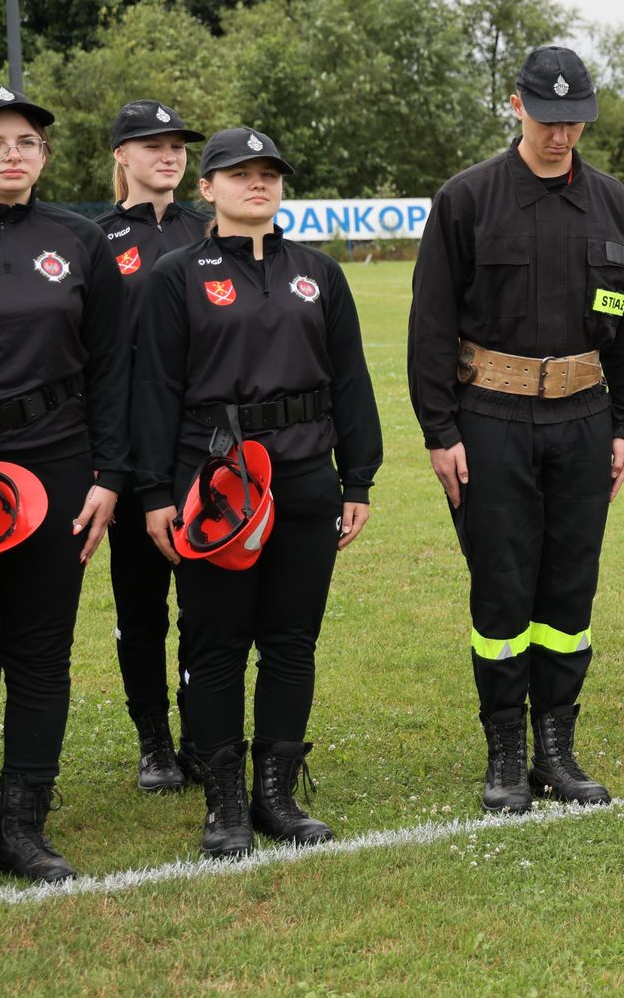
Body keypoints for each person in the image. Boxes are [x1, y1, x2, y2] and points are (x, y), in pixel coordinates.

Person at [409, 46, 624, 813]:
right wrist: (440, 432)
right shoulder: (469, 198)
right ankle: (506, 751)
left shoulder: (612, 203)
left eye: (575, 120)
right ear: (517, 106)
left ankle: (556, 746)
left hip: (584, 418)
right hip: (491, 419)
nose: (561, 134)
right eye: (548, 119)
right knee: (503, 588)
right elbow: (431, 324)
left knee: (569, 586)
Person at [134, 127, 381, 858]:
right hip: (215, 483)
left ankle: (275, 793)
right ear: (206, 188)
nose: (258, 184)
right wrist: (156, 491)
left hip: (306, 477)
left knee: (290, 639)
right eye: (240, 174)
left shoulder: (318, 273)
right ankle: (225, 802)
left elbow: (350, 379)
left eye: (269, 173)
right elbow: (153, 390)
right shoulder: (176, 274)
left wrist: (357, 476)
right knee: (215, 644)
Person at [0, 86, 128, 893]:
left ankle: (24, 824)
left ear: (45, 157)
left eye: (27, 142)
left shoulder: (80, 240)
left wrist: (109, 478)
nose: (14, 154)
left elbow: (115, 370)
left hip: (56, 465)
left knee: (39, 650)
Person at [93, 100, 207, 792]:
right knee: (141, 605)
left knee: (206, 603)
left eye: (176, 145)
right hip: (133, 453)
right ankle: (153, 742)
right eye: (151, 144)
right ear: (122, 156)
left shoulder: (210, 229)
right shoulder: (95, 240)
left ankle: (200, 733)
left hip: (203, 451)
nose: (168, 155)